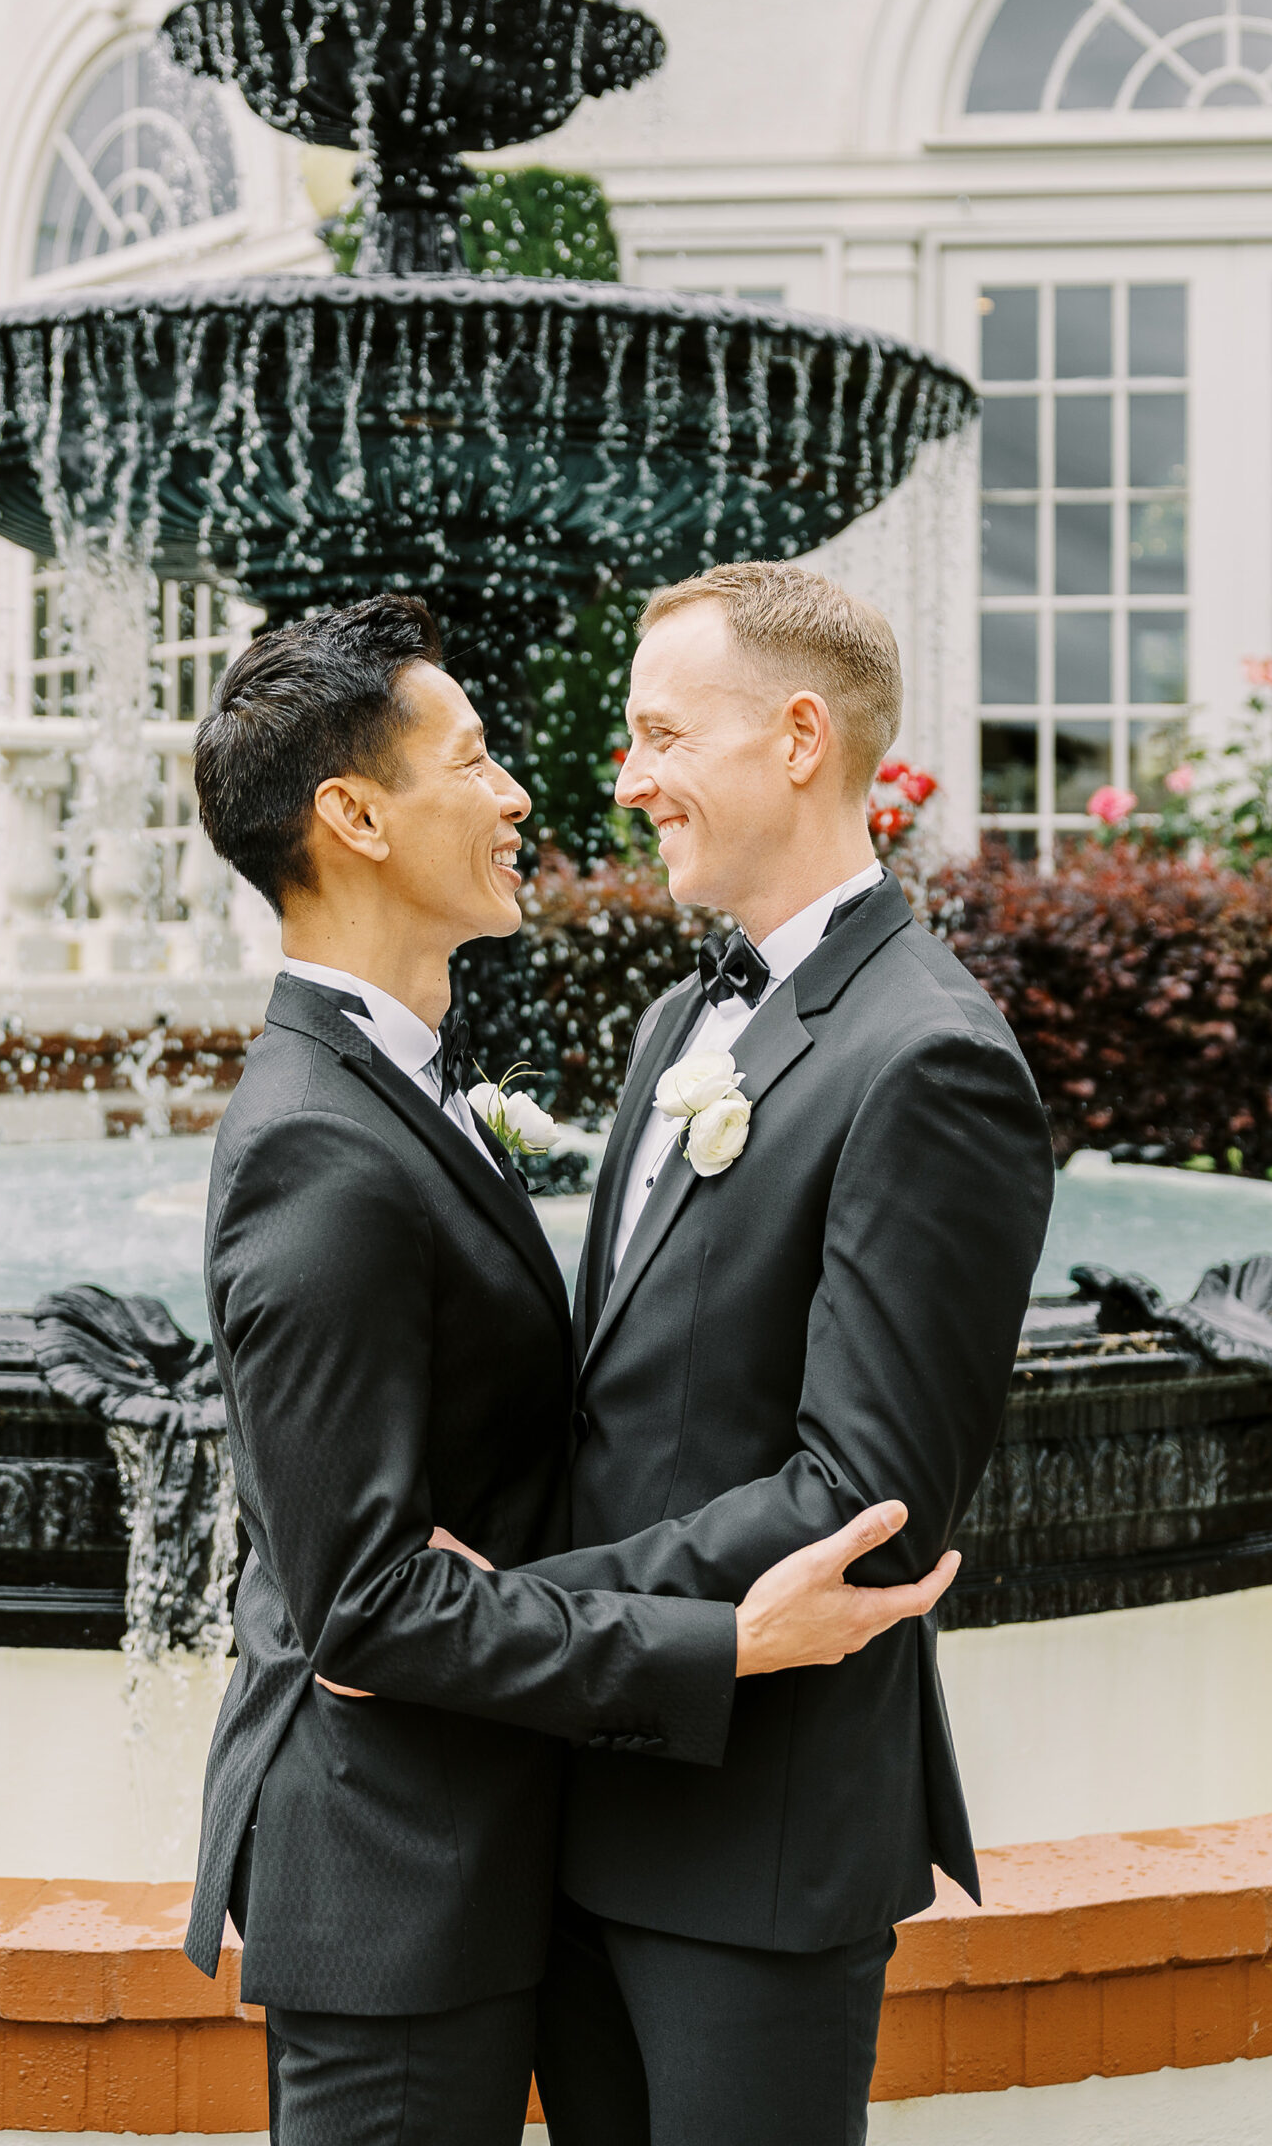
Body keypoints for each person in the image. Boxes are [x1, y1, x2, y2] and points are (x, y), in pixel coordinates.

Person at [180, 594, 962, 2146]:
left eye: (660, 734)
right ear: (353, 818)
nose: (536, 789)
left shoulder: (420, 1087)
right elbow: (364, 1604)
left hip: (520, 1842)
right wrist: (708, 1641)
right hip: (395, 1874)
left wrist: (493, 1599)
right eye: (471, 759)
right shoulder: (320, 1148)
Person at [521, 563, 1056, 2146]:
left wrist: (527, 1614)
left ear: (802, 736)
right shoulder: (678, 1026)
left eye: (662, 735)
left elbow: (869, 1491)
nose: (629, 782)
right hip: (586, 1801)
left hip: (756, 1843)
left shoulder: (931, 1058)